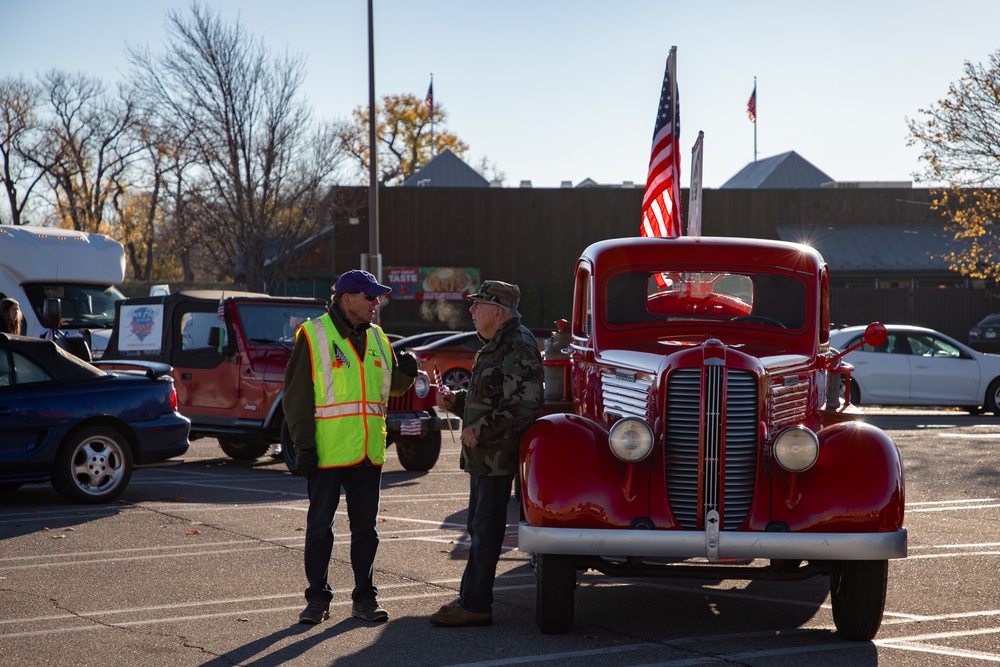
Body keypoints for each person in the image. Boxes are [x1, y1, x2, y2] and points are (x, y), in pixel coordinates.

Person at [283, 269, 420, 625]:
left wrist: (407, 372)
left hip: (366, 454)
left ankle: (365, 599)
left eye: (377, 297)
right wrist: (304, 447)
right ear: (347, 299)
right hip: (327, 454)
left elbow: (389, 389)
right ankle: (317, 599)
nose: (377, 303)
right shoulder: (313, 336)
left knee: (366, 532)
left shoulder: (378, 337)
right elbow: (297, 397)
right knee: (319, 529)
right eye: (370, 297)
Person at [429, 280, 543, 627]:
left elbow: (525, 406)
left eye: (479, 305)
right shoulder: (496, 344)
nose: (472, 310)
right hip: (486, 456)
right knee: (479, 527)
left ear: (498, 311)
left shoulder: (517, 345)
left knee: (486, 529)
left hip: (499, 455)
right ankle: (471, 598)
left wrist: (478, 430)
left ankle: (476, 604)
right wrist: (457, 401)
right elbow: (491, 400)